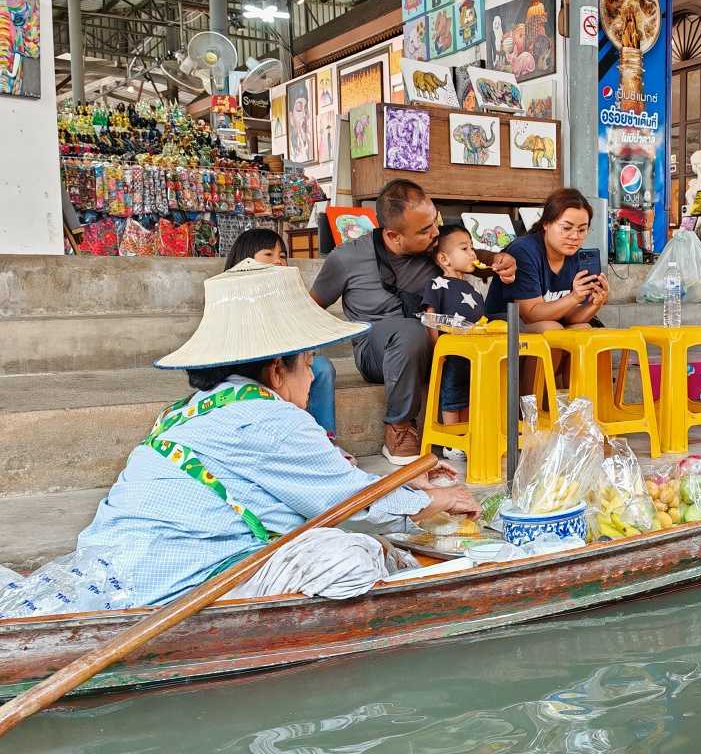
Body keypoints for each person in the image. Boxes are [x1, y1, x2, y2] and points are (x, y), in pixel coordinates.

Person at [3, 260, 480, 615]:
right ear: (278, 368)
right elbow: (356, 502)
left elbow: (325, 485)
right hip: (176, 581)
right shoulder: (272, 420)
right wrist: (435, 500)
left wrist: (415, 483)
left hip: (107, 561)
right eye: (310, 361)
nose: (314, 376)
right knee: (350, 554)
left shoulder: (191, 410)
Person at [311, 180, 516, 466]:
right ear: (394, 236)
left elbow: (465, 254)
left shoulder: (433, 247)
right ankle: (399, 425)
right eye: (424, 230)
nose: (435, 233)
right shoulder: (346, 258)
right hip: (379, 352)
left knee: (507, 326)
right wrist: (305, 359)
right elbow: (312, 309)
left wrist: (497, 259)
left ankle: (510, 417)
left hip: (439, 342)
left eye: (435, 223)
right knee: (410, 331)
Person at [224, 228, 349, 460]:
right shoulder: (229, 295)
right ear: (245, 259)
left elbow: (305, 337)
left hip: (286, 361)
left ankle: (322, 441)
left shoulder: (289, 295)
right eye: (268, 254)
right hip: (248, 365)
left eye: (282, 255)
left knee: (321, 368)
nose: (278, 261)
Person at [485, 187, 609, 329]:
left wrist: (595, 304)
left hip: (550, 322)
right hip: (505, 325)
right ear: (546, 224)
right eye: (566, 228)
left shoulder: (576, 256)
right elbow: (530, 315)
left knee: (583, 328)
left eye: (582, 230)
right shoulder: (524, 251)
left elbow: (571, 317)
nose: (575, 237)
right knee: (551, 328)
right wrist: (574, 297)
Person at [422, 225, 486, 461]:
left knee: (472, 393)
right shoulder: (438, 284)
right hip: (452, 352)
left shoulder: (473, 288)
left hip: (476, 353)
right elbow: (430, 317)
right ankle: (451, 441)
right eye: (465, 248)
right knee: (451, 394)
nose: (472, 253)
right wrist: (437, 348)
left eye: (472, 248)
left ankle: (468, 433)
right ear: (444, 258)